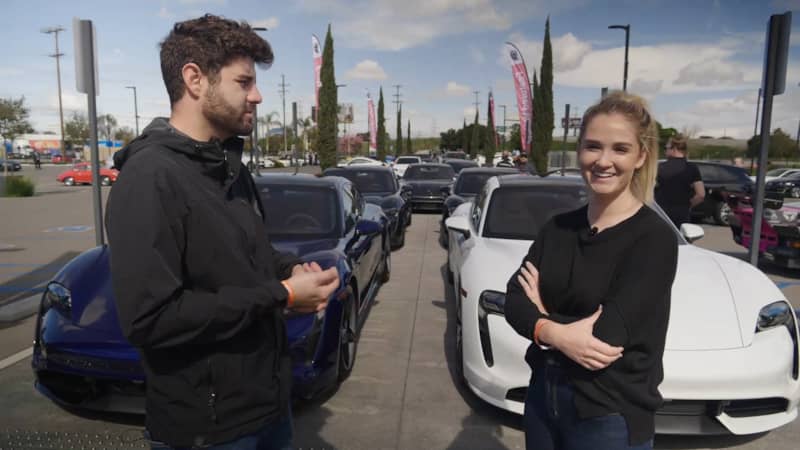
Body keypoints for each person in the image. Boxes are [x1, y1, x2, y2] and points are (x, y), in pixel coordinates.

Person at [105, 14, 339, 450]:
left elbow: (251, 257)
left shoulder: (228, 167)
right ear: (195, 79)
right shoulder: (150, 177)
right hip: (206, 431)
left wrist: (297, 272)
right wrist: (284, 295)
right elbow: (151, 320)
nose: (257, 95)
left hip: (268, 409)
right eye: (244, 82)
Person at [504, 91, 678, 450]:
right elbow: (514, 302)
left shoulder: (654, 238)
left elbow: (605, 337)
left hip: (609, 412)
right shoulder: (557, 229)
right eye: (593, 146)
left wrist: (541, 318)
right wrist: (556, 331)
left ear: (641, 156)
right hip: (543, 399)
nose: (603, 161)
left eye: (620, 149)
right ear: (579, 150)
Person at [654, 134, 705, 227]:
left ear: (674, 149)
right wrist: (687, 206)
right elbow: (701, 195)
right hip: (682, 214)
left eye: (666, 148)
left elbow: (649, 190)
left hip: (662, 213)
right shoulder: (692, 168)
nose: (665, 151)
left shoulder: (659, 168)